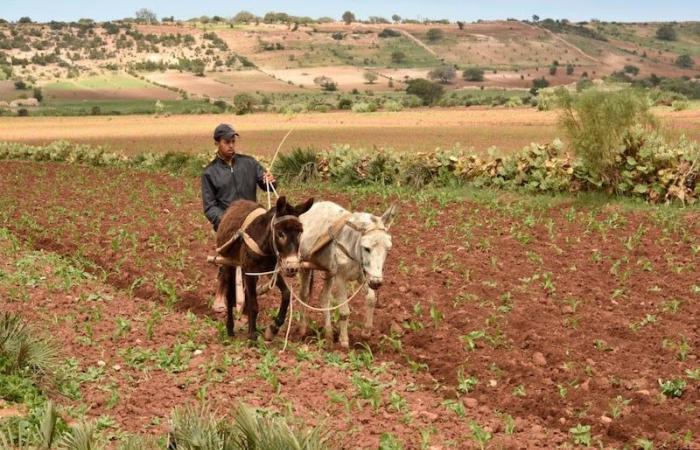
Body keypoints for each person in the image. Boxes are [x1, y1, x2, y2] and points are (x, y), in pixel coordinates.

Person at [201, 123, 276, 311]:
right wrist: (226, 221)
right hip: (227, 225)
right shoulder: (210, 173)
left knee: (254, 259)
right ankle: (220, 294)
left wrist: (270, 180)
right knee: (228, 261)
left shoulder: (250, 163)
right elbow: (210, 207)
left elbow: (266, 185)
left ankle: (248, 295)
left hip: (252, 224)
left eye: (233, 141)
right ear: (217, 143)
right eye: (227, 142)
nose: (231, 146)